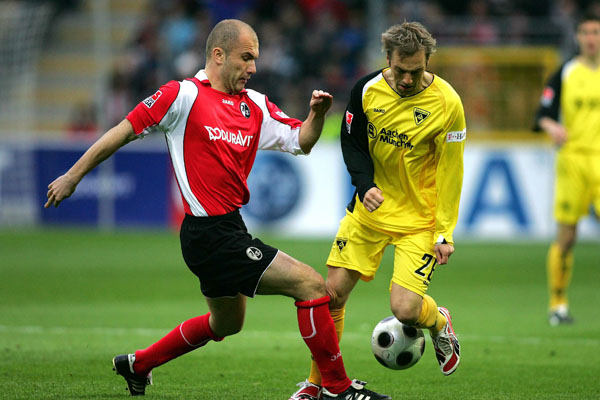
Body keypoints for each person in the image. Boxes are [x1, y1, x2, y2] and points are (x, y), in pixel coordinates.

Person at [44, 19, 390, 400]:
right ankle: (338, 389)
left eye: (255, 59)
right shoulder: (182, 96)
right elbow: (122, 131)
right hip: (208, 233)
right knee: (310, 285)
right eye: (246, 58)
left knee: (227, 323)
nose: (253, 67)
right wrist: (72, 176)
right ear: (219, 55)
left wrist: (317, 115)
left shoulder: (254, 105)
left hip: (229, 229)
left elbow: (301, 141)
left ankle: (139, 364)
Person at [290, 21, 465, 400]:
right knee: (330, 296)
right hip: (369, 212)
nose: (406, 79)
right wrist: (365, 185)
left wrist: (444, 232)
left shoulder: (448, 104)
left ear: (427, 61)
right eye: (400, 70)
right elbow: (351, 142)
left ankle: (439, 321)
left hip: (418, 219)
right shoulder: (366, 90)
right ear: (387, 58)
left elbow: (452, 171)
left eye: (415, 71)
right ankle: (317, 385)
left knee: (406, 310)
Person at [534, 13, 600, 326]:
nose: (591, 38)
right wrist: (552, 127)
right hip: (572, 161)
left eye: (596, 32)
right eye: (585, 32)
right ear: (577, 37)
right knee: (567, 236)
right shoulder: (565, 72)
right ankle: (558, 304)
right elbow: (542, 114)